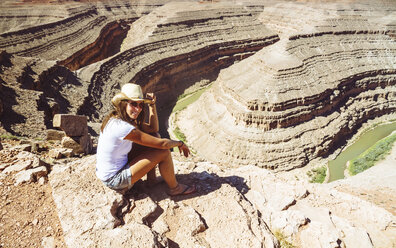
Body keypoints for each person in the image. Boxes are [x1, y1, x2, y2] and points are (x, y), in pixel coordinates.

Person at [96, 83, 196, 196]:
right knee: (163, 152)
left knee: (154, 136)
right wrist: (180, 143)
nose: (138, 109)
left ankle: (152, 181)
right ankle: (175, 189)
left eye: (141, 105)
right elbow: (162, 144)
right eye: (133, 104)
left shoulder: (117, 119)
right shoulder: (123, 127)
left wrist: (151, 105)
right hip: (114, 180)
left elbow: (153, 129)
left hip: (109, 172)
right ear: (123, 104)